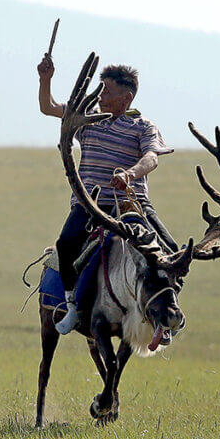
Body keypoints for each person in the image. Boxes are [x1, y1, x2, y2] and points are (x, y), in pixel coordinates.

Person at [37, 54, 176, 334]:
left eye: (106, 92)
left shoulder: (143, 127)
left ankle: (165, 316)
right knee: (66, 245)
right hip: (90, 205)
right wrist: (45, 79)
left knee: (172, 252)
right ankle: (72, 306)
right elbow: (48, 107)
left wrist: (129, 174)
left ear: (126, 99)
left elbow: (152, 158)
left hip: (131, 206)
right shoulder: (86, 117)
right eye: (100, 90)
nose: (100, 96)